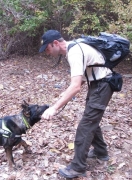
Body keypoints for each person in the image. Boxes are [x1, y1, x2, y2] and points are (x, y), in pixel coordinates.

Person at [39, 30, 114, 178]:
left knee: (85, 125)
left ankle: (77, 167)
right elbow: (83, 75)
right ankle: (100, 151)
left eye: (47, 49)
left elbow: (75, 86)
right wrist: (64, 94)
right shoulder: (74, 47)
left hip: (102, 85)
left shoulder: (74, 52)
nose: (47, 53)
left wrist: (54, 108)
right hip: (97, 84)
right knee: (91, 118)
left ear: (55, 43)